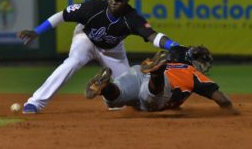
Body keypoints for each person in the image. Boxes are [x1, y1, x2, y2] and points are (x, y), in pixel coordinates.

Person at [17, 0, 179, 114]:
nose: (114, 2)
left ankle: (108, 89)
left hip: (113, 50)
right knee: (73, 62)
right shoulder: (92, 8)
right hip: (85, 40)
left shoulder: (132, 18)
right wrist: (37, 31)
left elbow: (153, 36)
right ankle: (35, 102)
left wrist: (174, 46)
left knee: (129, 91)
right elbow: (62, 15)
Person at [85, 45, 239, 114]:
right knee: (152, 96)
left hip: (138, 70)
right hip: (159, 84)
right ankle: (156, 73)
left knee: (115, 98)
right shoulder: (190, 71)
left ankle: (105, 87)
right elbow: (222, 100)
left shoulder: (174, 64)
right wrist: (231, 110)